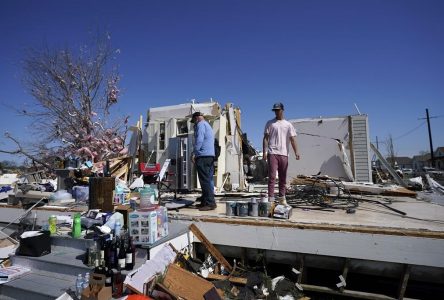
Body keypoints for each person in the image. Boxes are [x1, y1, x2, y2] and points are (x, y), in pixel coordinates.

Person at [263, 102, 300, 203]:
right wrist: (264, 152)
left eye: (278, 110)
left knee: (283, 177)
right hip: (272, 152)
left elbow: (292, 139)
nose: (276, 112)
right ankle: (271, 198)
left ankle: (282, 198)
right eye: (275, 110)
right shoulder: (270, 123)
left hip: (284, 154)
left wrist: (296, 152)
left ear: (282, 110)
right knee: (272, 177)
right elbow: (265, 138)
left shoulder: (288, 125)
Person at [191, 111, 217, 211]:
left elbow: (199, 140)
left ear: (197, 118)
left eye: (194, 121)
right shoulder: (207, 125)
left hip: (203, 156)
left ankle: (210, 203)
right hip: (209, 155)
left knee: (204, 180)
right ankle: (205, 201)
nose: (194, 123)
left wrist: (194, 153)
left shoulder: (200, 125)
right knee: (207, 179)